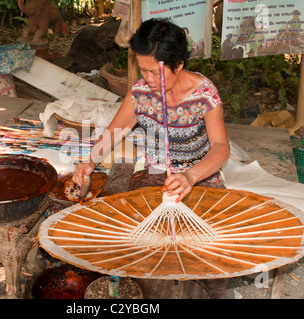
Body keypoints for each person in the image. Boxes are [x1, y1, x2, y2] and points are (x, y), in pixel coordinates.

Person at [73, 18, 231, 298]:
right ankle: (149, 291)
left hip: (199, 178)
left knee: (208, 246)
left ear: (178, 64)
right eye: (142, 70)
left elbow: (221, 147)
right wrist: (90, 160)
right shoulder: (141, 94)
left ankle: (205, 291)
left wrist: (191, 176)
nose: (147, 79)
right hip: (155, 178)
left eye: (153, 72)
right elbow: (113, 133)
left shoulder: (204, 94)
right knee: (139, 241)